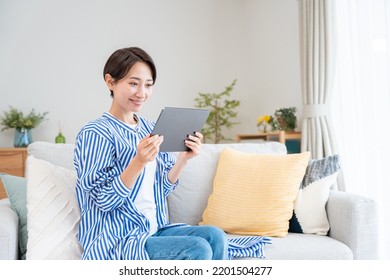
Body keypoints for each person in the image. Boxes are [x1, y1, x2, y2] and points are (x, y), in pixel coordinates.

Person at [73, 46, 228, 260]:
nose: (142, 93)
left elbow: (161, 190)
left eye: (148, 85)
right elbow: (103, 200)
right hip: (120, 238)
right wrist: (138, 162)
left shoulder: (150, 128)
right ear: (110, 82)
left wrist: (183, 160)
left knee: (214, 236)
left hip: (155, 229)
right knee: (197, 249)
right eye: (133, 83)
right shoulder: (95, 133)